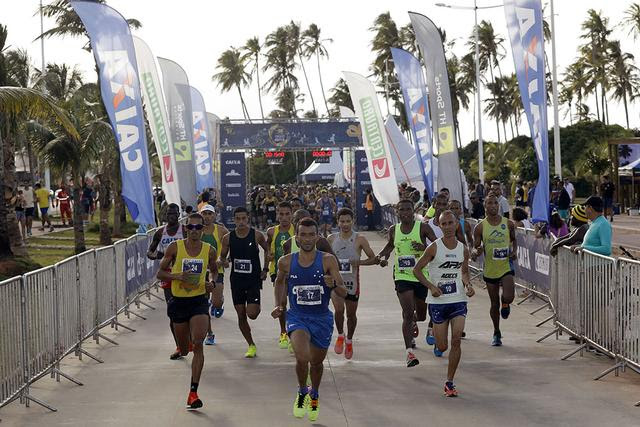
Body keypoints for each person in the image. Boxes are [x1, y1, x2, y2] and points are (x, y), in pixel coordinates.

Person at [271, 217, 347, 421]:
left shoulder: (328, 260)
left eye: (311, 234)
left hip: (321, 318)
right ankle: (303, 391)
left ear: (317, 236)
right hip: (298, 317)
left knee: (316, 363)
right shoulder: (286, 261)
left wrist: (332, 285)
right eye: (302, 234)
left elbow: (344, 291)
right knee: (302, 357)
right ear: (296, 237)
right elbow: (279, 282)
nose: (306, 238)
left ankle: (315, 394)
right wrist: (279, 304)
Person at [157, 213, 217, 410]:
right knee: (185, 349)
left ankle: (193, 392)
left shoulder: (209, 250)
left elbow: (214, 270)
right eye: (190, 227)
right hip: (178, 302)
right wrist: (177, 276)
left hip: (199, 301)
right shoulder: (175, 247)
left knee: (198, 343)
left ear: (203, 229)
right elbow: (160, 273)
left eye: (198, 228)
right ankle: (185, 346)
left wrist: (212, 283)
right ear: (186, 228)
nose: (194, 231)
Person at [413, 210, 475, 397]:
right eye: (444, 224)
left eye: (451, 223)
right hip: (438, 302)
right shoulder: (433, 247)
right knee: (442, 347)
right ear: (439, 226)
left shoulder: (462, 248)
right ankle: (435, 335)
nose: (448, 227)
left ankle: (449, 382)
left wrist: (468, 285)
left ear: (457, 224)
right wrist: (431, 286)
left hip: (457, 300)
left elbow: (463, 272)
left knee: (456, 340)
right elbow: (417, 270)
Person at [376, 199, 438, 367]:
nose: (405, 212)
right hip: (402, 276)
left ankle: (414, 322)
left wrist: (424, 247)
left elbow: (437, 246)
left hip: (421, 276)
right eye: (401, 209)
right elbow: (389, 247)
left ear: (413, 211)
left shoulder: (423, 227)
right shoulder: (394, 230)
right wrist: (382, 256)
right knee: (408, 312)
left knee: (422, 315)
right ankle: (409, 352)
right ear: (397, 212)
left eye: (408, 209)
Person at [218, 206, 269, 358]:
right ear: (234, 220)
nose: (241, 222)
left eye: (243, 218)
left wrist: (265, 269)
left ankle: (253, 310)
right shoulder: (228, 238)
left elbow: (268, 250)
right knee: (241, 315)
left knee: (252, 314)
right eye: (238, 219)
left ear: (248, 218)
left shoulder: (256, 235)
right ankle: (251, 345)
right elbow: (223, 257)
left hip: (253, 280)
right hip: (237, 281)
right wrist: (225, 262)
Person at [328, 207, 378, 359]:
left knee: (351, 315)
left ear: (353, 221)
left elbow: (373, 258)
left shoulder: (360, 239)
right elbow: (324, 258)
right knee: (338, 311)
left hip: (352, 284)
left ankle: (349, 340)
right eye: (342, 221)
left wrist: (359, 262)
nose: (345, 224)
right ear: (338, 222)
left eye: (348, 221)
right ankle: (340, 335)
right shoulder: (331, 239)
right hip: (337, 283)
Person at [471, 194, 518, 346]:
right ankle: (496, 332)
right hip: (490, 269)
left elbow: (514, 239)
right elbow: (476, 246)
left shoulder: (508, 223)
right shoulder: (480, 227)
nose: (492, 205)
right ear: (485, 206)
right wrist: (475, 252)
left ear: (499, 205)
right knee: (493, 303)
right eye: (489, 203)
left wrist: (514, 252)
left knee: (509, 296)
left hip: (505, 266)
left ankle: (506, 303)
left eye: (495, 203)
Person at [148, 203, 186, 360]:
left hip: (184, 274)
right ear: (165, 215)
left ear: (178, 214)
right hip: (167, 275)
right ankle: (179, 346)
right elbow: (150, 252)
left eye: (174, 213)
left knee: (186, 309)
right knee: (173, 311)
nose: (171, 215)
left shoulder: (184, 230)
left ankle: (188, 340)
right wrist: (162, 256)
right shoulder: (160, 232)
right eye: (169, 213)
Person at [266, 201, 295, 350]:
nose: (284, 217)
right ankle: (283, 332)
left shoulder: (297, 231)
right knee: (282, 303)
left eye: (287, 214)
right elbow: (267, 249)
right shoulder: (272, 231)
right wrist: (268, 260)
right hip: (278, 273)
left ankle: (295, 334)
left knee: (295, 304)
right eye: (281, 214)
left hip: (296, 273)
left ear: (291, 215)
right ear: (277, 214)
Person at [200, 204, 228, 346]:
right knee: (203, 305)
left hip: (217, 270)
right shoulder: (196, 231)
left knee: (216, 302)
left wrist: (224, 259)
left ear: (214, 216)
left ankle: (219, 301)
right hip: (200, 272)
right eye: (204, 214)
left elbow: (231, 244)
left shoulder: (221, 230)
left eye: (209, 214)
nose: (207, 217)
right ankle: (209, 334)